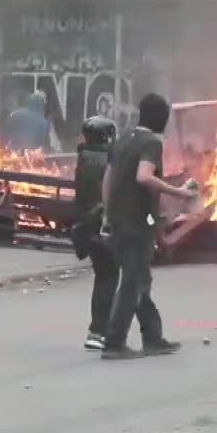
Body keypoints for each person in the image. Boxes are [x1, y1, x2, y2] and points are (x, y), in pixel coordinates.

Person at [100, 93, 194, 360]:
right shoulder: (152, 142)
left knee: (140, 278)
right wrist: (179, 193)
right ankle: (114, 342)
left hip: (119, 220)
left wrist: (108, 213)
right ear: (161, 119)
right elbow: (144, 176)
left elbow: (107, 180)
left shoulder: (122, 140)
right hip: (137, 223)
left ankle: (153, 337)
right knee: (132, 282)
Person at [73, 116, 118, 351]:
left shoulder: (83, 157)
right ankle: (99, 330)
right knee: (109, 277)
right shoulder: (108, 160)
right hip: (103, 225)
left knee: (103, 276)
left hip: (86, 225)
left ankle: (101, 329)